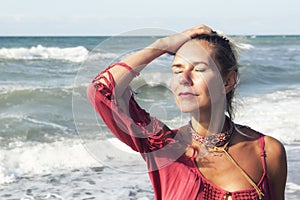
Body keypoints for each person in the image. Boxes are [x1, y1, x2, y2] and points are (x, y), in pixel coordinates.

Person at [87, 25, 287, 200]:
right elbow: (101, 89)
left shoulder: (267, 152)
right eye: (177, 70)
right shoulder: (163, 147)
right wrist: (162, 45)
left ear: (228, 81)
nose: (184, 78)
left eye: (198, 69)